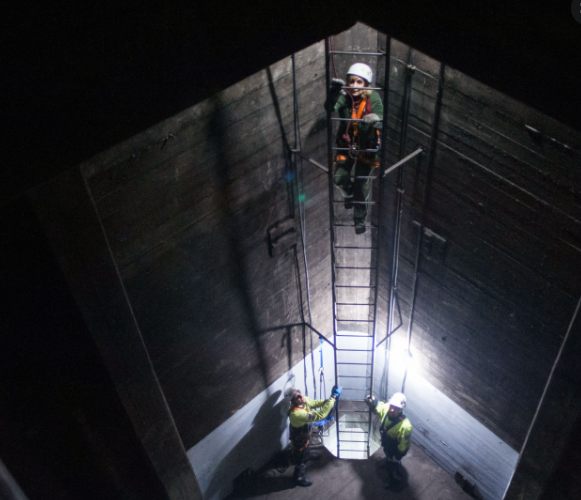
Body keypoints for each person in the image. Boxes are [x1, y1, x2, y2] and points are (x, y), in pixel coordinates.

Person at [327, 62, 384, 234]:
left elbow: (382, 118)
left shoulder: (373, 98)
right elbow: (330, 108)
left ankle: (359, 220)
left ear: (366, 84)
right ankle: (348, 194)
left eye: (359, 82)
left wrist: (376, 118)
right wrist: (334, 92)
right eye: (351, 81)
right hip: (347, 147)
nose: (354, 85)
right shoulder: (345, 97)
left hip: (367, 151)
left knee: (361, 186)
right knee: (339, 178)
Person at [287, 385, 342, 487]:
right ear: (293, 401)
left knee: (307, 444)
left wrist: (328, 399)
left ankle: (308, 455)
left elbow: (315, 403)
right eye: (297, 397)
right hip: (298, 435)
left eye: (299, 394)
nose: (300, 397)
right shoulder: (296, 414)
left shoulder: (304, 400)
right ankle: (298, 477)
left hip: (304, 432)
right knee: (300, 454)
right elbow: (320, 415)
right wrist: (332, 398)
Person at [366, 391, 413, 488]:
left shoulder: (405, 426)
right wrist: (373, 401)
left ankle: (393, 479)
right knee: (387, 455)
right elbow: (379, 407)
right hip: (387, 442)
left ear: (401, 409)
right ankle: (388, 461)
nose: (392, 409)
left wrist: (398, 456)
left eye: (396, 408)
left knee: (393, 463)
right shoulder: (387, 408)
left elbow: (404, 444)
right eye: (392, 406)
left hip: (395, 447)